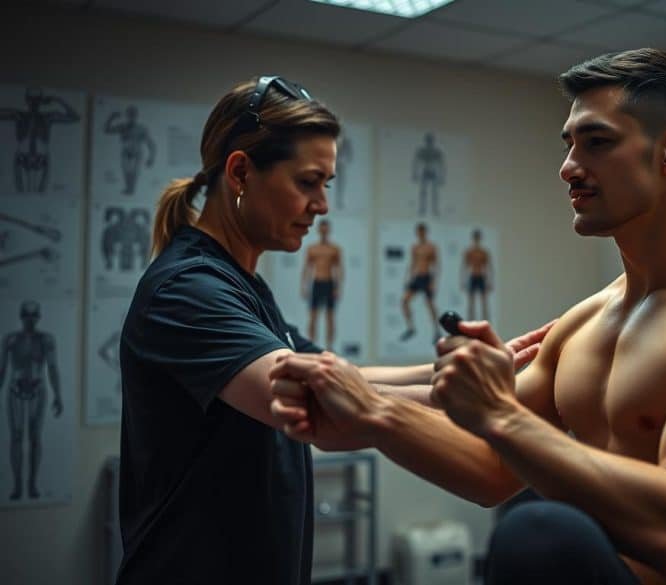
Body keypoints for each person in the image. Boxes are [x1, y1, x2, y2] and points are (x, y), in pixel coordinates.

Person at [270, 49, 666, 585]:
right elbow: (493, 470)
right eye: (569, 144)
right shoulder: (586, 322)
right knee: (536, 520)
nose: (568, 168)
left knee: (542, 531)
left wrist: (494, 414)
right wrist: (375, 417)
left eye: (597, 143)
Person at [116, 76, 552, 585]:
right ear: (240, 172)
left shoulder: (241, 283)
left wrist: (446, 376)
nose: (322, 205)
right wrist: (466, 398)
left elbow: (344, 377)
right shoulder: (188, 290)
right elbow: (313, 401)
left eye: (325, 184)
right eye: (308, 182)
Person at [2, 300, 62, 500]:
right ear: (21, 316)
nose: (30, 319)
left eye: (33, 314)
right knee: (17, 436)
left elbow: (52, 367)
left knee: (35, 438)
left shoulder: (46, 339)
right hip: (15, 389)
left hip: (38, 388)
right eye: (26, 315)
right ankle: (18, 485)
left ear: (38, 316)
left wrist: (58, 396)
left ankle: (32, 484)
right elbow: (2, 371)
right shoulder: (10, 339)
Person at [0, 87, 80, 193]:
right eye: (31, 99)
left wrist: (57, 100)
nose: (34, 102)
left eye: (37, 99)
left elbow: (75, 117)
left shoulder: (48, 117)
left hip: (41, 156)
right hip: (23, 155)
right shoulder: (19, 115)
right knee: (20, 193)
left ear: (41, 100)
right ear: (27, 100)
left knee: (40, 194)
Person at [302, 218, 343, 350]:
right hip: (317, 283)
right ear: (319, 230)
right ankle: (311, 346)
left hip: (329, 283)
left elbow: (339, 269)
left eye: (326, 228)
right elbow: (307, 268)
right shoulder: (312, 249)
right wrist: (304, 286)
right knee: (313, 316)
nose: (324, 231)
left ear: (329, 230)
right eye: (322, 228)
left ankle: (330, 347)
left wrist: (338, 287)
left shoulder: (334, 249)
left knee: (330, 317)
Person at [399, 222, 440, 342]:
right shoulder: (415, 247)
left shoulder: (431, 247)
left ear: (425, 232)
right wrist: (408, 278)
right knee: (404, 301)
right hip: (417, 277)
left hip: (427, 277)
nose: (420, 234)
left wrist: (434, 281)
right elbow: (412, 263)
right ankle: (411, 328)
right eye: (418, 232)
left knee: (430, 305)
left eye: (422, 231)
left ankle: (436, 331)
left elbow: (436, 265)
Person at [104, 105, 155, 195]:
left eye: (133, 115)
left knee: (134, 172)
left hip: (137, 152)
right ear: (127, 115)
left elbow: (150, 143)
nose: (132, 117)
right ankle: (128, 189)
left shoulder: (142, 128)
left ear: (137, 116)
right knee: (126, 171)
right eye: (130, 114)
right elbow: (107, 130)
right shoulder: (123, 126)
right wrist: (111, 118)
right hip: (126, 151)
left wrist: (151, 157)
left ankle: (131, 189)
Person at [461, 228, 492, 320]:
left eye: (478, 237)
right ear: (473, 238)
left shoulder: (483, 252)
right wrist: (463, 280)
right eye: (475, 237)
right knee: (471, 301)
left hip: (481, 276)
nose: (476, 239)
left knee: (484, 301)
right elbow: (464, 267)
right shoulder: (469, 252)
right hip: (472, 276)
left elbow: (488, 267)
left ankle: (485, 322)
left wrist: (489, 281)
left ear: (479, 238)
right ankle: (470, 322)